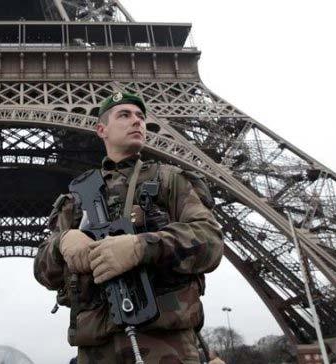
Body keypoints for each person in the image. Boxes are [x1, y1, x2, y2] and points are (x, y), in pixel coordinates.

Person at [34, 92, 224, 363]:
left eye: (140, 117)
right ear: (102, 129)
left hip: (167, 346)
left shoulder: (171, 181)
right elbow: (44, 273)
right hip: (96, 350)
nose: (136, 121)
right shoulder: (76, 200)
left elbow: (211, 242)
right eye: (124, 115)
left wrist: (141, 247)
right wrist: (61, 243)